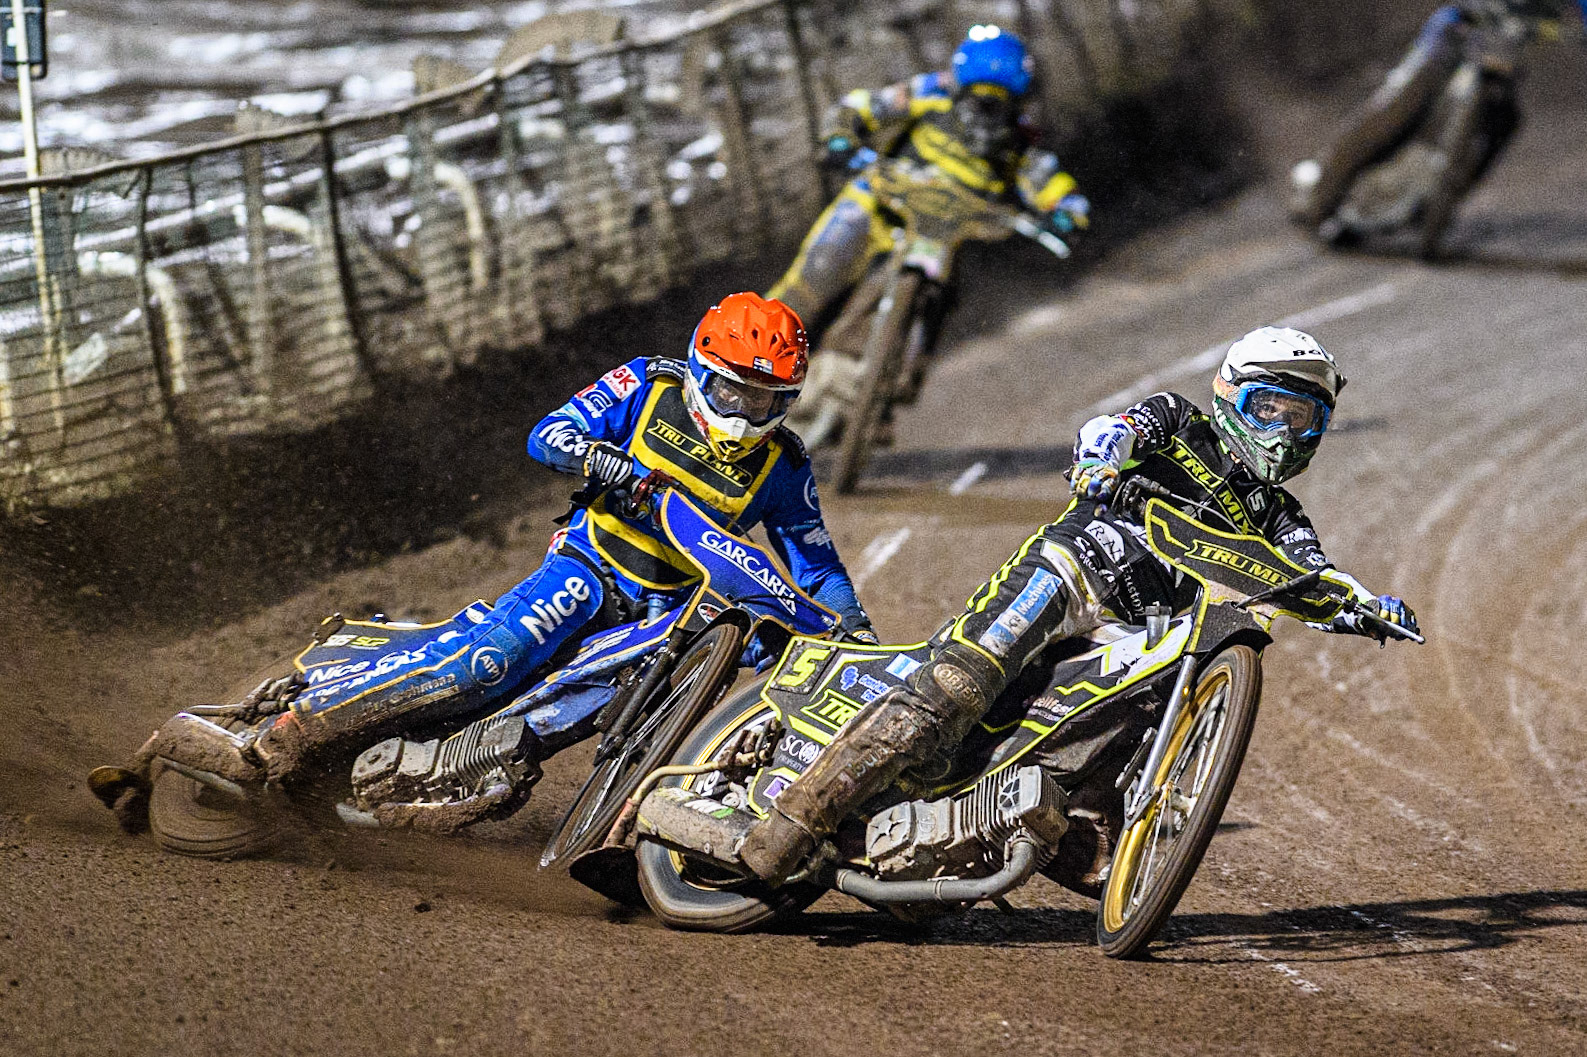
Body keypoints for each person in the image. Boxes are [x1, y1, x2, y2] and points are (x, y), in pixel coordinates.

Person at [737, 326, 1421, 883]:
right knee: (960, 680)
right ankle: (797, 814)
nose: (1283, 429)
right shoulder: (1178, 420)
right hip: (1077, 565)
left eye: (1302, 417)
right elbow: (1112, 428)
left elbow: (1315, 573)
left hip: (1138, 634)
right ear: (1230, 397)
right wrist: (1101, 463)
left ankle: (1019, 830)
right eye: (1269, 407)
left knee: (1123, 747)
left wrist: (1368, 607)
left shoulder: (1282, 516)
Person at [236, 293, 875, 821]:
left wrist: (856, 631)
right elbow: (548, 435)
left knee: (579, 717)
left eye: (762, 400)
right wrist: (605, 461)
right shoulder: (648, 384)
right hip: (589, 569)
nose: (743, 413)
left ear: (787, 400)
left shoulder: (785, 464)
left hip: (672, 610)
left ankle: (460, 776)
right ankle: (304, 724)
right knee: (496, 660)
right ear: (703, 370)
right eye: (734, 392)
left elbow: (815, 563)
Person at [767, 24, 1091, 329]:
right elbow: (863, 105)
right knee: (813, 278)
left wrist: (1067, 214)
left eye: (1000, 104)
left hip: (942, 235)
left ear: (1018, 103)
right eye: (980, 99)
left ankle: (897, 371)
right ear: (961, 88)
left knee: (940, 305)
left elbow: (1054, 184)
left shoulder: (1019, 141)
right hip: (879, 202)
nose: (987, 113)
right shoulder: (932, 91)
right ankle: (740, 351)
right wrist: (841, 138)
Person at [1292, 0, 1586, 237]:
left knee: (1506, 122)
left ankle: (1435, 203)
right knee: (1394, 112)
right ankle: (1319, 196)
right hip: (1449, 41)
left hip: (1498, 64)